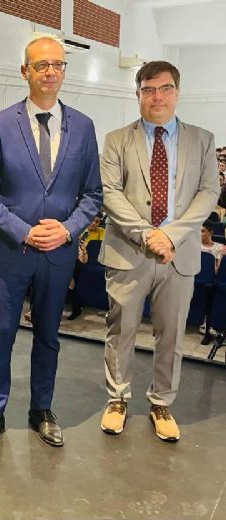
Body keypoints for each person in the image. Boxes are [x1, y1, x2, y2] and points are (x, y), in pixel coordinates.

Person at [0, 36, 102, 453]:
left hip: (58, 254)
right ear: (25, 71)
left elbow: (92, 194)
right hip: (10, 252)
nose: (50, 72)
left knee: (48, 336)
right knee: (0, 335)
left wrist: (67, 230)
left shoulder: (83, 127)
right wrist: (24, 230)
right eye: (41, 65)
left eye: (58, 64)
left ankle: (41, 409)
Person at [99, 61, 219, 442]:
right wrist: (148, 235)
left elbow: (208, 192)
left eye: (165, 89)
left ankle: (162, 403)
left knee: (171, 335)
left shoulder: (202, 140)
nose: (157, 97)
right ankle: (117, 399)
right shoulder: (117, 140)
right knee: (121, 330)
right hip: (128, 251)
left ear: (177, 92)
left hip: (178, 255)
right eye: (148, 90)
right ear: (138, 94)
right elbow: (110, 193)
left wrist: (170, 236)